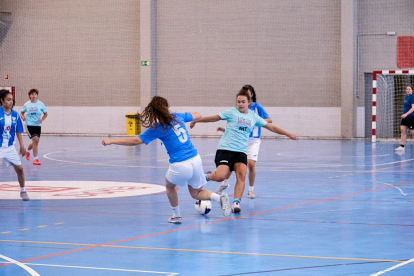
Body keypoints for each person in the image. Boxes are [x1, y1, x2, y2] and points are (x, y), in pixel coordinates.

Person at [102, 96, 231, 224]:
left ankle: (176, 216)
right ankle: (219, 198)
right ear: (167, 107)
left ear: (153, 112)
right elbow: (198, 114)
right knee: (196, 193)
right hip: (195, 159)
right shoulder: (178, 116)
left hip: (180, 163)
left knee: (169, 186)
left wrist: (111, 141)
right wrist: (193, 119)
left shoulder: (157, 127)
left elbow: (136, 140)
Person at [190, 88, 296, 213]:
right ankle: (205, 177)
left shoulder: (253, 116)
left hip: (241, 152)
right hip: (226, 149)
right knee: (221, 176)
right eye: (238, 101)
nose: (240, 104)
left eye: (243, 102)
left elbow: (271, 126)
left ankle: (236, 203)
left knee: (241, 175)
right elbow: (214, 118)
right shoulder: (231, 112)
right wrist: (197, 120)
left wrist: (288, 134)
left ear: (249, 103)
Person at [216, 85, 272, 199]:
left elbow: (269, 120)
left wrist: (254, 121)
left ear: (251, 95)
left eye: (248, 92)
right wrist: (225, 129)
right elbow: (236, 124)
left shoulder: (257, 107)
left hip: (253, 139)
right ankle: (224, 183)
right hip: (239, 139)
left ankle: (251, 190)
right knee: (233, 163)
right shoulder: (238, 108)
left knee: (251, 164)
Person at [0, 90, 29, 201]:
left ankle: (23, 191)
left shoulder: (15, 115)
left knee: (20, 169)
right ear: (1, 100)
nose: (11, 101)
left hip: (10, 147)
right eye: (8, 99)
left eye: (12, 99)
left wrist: (22, 146)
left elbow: (18, 131)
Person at [20, 88, 48, 165]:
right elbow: (22, 113)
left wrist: (42, 119)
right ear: (29, 96)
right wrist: (22, 117)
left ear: (37, 95)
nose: (34, 95)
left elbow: (46, 114)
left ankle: (27, 151)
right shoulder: (26, 104)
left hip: (37, 125)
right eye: (32, 94)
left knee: (35, 142)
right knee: (35, 139)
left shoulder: (41, 104)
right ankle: (35, 159)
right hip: (29, 125)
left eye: (35, 94)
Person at [395, 85, 414, 151]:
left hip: (411, 117)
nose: (408, 90)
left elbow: (413, 108)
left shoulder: (412, 97)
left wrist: (406, 114)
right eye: (407, 89)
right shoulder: (406, 97)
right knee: (402, 130)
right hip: (404, 117)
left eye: (409, 89)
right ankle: (402, 146)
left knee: (412, 132)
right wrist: (404, 114)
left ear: (412, 90)